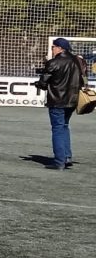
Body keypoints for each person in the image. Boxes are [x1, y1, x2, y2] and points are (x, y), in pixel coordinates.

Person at [35, 37, 84, 170]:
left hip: (57, 101)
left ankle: (59, 161)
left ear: (59, 48)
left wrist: (38, 83)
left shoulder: (53, 63)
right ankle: (67, 156)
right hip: (73, 100)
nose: (52, 49)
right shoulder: (77, 61)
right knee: (64, 127)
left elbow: (43, 84)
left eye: (53, 47)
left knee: (57, 128)